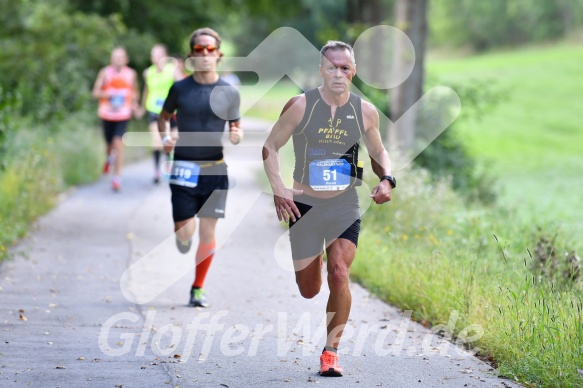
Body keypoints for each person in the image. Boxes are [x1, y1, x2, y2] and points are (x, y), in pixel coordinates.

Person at [262, 40, 395, 377]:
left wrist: (387, 179)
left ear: (354, 71)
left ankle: (330, 352)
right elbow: (270, 146)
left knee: (340, 273)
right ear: (321, 69)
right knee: (309, 290)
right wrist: (279, 189)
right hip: (304, 203)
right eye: (332, 67)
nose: (338, 73)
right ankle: (315, 256)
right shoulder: (300, 105)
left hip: (344, 202)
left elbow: (379, 152)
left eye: (345, 68)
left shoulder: (364, 110)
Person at [157, 27, 242, 308]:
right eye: (198, 49)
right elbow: (164, 117)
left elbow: (235, 124)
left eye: (210, 49)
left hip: (215, 171)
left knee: (208, 232)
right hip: (183, 168)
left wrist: (236, 133)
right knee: (186, 234)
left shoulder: (229, 91)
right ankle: (181, 233)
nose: (204, 54)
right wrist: (166, 137)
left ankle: (197, 287)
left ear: (218, 54)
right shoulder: (180, 88)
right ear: (191, 55)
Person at [92, 47, 140, 191]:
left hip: (123, 114)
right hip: (107, 113)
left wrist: (134, 104)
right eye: (115, 57)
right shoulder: (105, 73)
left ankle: (117, 178)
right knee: (109, 145)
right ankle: (109, 158)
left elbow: (135, 92)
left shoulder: (131, 74)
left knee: (118, 143)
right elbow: (95, 92)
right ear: (111, 59)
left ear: (126, 59)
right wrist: (107, 94)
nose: (118, 60)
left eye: (121, 57)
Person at [139, 44, 183, 184]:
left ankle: (169, 165)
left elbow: (183, 85)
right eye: (154, 55)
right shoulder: (148, 72)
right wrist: (141, 108)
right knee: (157, 141)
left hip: (170, 112)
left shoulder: (172, 71)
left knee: (170, 141)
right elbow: (146, 91)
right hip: (153, 110)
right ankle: (156, 171)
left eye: (159, 55)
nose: (156, 58)